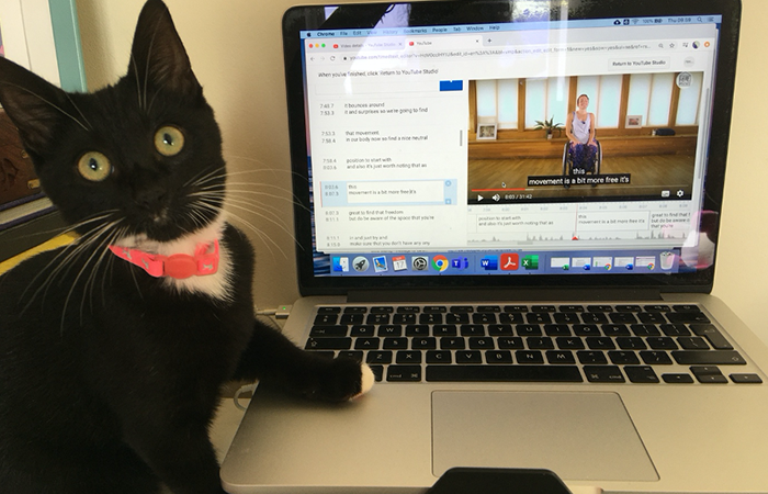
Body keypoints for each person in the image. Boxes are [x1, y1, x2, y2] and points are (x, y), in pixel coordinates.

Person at [565, 94, 598, 172]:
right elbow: (567, 132)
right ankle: (576, 169)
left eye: (586, 101)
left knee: (593, 148)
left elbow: (592, 131)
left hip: (587, 139)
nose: (584, 102)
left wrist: (590, 141)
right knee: (578, 147)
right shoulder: (571, 115)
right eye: (581, 101)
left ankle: (586, 168)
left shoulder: (591, 115)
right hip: (575, 140)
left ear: (588, 103)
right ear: (578, 103)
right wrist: (576, 141)